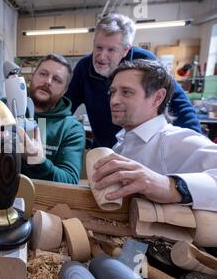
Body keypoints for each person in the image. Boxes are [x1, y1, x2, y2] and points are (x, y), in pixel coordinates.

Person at [92, 59, 217, 212]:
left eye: (126, 92)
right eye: (113, 92)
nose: (114, 100)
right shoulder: (122, 143)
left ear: (158, 97)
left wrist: (170, 186)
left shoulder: (177, 141)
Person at [65, 13, 201, 149]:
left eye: (111, 50)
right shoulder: (84, 67)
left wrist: (192, 145)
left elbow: (179, 104)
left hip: (141, 149)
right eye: (98, 47)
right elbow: (66, 106)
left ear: (126, 50)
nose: (101, 56)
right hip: (104, 147)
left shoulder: (145, 62)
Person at [19, 54, 85, 184]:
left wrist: (37, 161)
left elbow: (69, 181)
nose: (48, 82)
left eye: (57, 80)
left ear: (65, 90)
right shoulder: (4, 107)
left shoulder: (72, 129)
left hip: (42, 201)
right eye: (43, 74)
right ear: (32, 77)